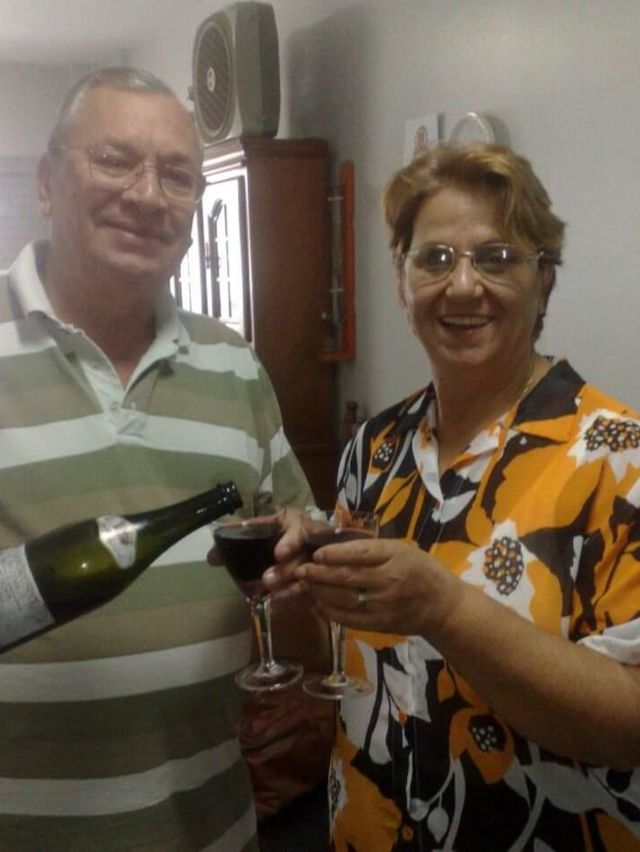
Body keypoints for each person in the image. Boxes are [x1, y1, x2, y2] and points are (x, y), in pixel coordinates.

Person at [267, 143, 640, 849]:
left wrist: (445, 609)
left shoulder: (619, 459)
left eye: (496, 258)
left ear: (543, 280)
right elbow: (340, 648)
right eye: (434, 259)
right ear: (402, 280)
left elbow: (629, 728)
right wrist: (286, 597)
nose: (463, 286)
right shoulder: (374, 448)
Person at [0, 66, 314, 850]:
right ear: (47, 183)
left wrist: (304, 569)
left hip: (210, 826)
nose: (148, 196)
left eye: (177, 176)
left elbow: (295, 574)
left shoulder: (234, 364)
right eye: (116, 161)